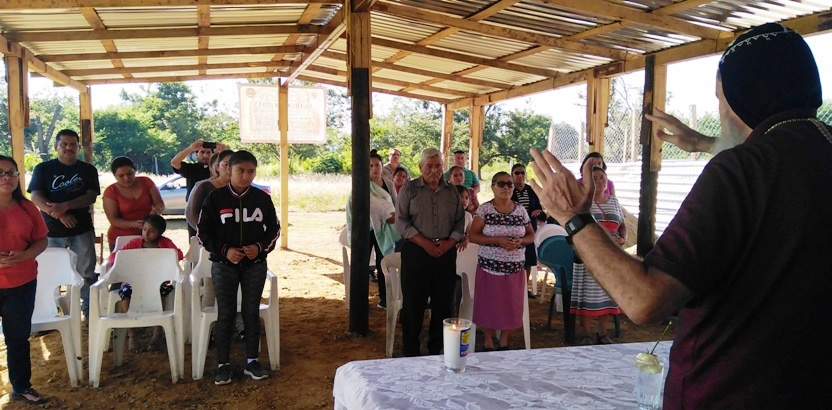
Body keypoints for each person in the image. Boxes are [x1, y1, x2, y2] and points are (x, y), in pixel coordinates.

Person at [529, 23, 832, 408]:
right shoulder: (815, 151)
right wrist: (707, 143)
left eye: (720, 98)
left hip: (730, 392)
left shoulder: (740, 171)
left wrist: (575, 219)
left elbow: (645, 299)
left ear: (742, 97)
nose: (720, 110)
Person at [197, 150, 280, 385]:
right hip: (224, 265)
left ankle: (252, 361)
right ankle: (223, 365)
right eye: (240, 171)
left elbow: (274, 230)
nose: (245, 176)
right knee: (226, 314)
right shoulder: (215, 198)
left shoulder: (262, 198)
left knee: (251, 312)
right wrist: (225, 250)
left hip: (255, 265)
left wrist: (259, 247)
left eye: (251, 172)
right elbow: (202, 233)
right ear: (228, 170)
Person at [396, 147, 465, 357]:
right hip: (416, 252)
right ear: (420, 167)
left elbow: (459, 221)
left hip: (445, 253)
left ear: (443, 167)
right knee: (413, 304)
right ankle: (411, 352)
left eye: (438, 166)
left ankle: (437, 351)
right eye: (429, 166)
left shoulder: (451, 191)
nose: (434, 171)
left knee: (443, 303)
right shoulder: (409, 189)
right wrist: (425, 243)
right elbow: (401, 222)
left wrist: (449, 243)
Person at [28, 129, 100, 318]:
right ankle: (49, 314)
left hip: (81, 229)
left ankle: (89, 313)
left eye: (73, 144)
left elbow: (90, 197)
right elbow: (36, 196)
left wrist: (65, 206)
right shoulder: (43, 169)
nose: (69, 148)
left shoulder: (88, 170)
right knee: (49, 274)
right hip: (50, 231)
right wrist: (58, 214)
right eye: (64, 144)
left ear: (78, 147)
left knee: (86, 272)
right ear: (56, 147)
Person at [0, 155, 49, 404]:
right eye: (0, 173)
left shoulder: (27, 208)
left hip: (21, 283)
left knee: (18, 338)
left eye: (11, 172)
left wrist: (25, 255)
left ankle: (21, 386)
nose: (6, 177)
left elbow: (42, 240)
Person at [469, 172, 534, 351]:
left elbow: (531, 235)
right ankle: (488, 339)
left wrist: (520, 241)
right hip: (489, 268)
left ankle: (504, 339)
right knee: (488, 304)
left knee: (511, 305)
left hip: (514, 268)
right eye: (501, 184)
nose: (506, 187)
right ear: (493, 187)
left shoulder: (520, 210)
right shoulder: (485, 210)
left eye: (510, 184)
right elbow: (473, 236)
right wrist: (497, 240)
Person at [107, 214, 183, 352]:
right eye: (144, 230)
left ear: (160, 232)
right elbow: (115, 257)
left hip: (158, 281)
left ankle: (157, 332)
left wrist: (165, 254)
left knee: (160, 293)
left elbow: (179, 255)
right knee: (126, 294)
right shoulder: (135, 243)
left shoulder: (165, 243)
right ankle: (132, 333)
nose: (146, 234)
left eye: (151, 231)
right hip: (134, 280)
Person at [571, 167, 625, 345]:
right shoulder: (582, 203)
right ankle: (586, 334)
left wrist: (622, 238)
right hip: (589, 255)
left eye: (602, 177)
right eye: (594, 178)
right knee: (587, 294)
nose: (599, 181)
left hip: (612, 256)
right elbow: (576, 227)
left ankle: (603, 333)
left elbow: (622, 225)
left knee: (608, 293)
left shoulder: (614, 201)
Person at [346, 149, 400, 309]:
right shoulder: (361, 186)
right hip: (366, 229)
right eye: (371, 166)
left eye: (377, 165)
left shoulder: (389, 184)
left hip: (386, 229)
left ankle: (384, 299)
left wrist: (394, 217)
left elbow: (395, 206)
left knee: (383, 262)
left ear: (382, 166)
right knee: (361, 264)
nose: (375, 168)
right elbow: (352, 206)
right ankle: (359, 301)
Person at [102, 156, 165, 250]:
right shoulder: (111, 191)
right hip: (121, 238)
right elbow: (113, 220)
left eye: (130, 173)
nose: (126, 178)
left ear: (135, 171)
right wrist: (133, 224)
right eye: (121, 176)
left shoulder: (146, 182)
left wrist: (157, 210)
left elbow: (160, 203)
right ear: (114, 176)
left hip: (149, 236)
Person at [171, 139, 225, 237]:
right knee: (195, 241)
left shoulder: (221, 170)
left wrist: (224, 152)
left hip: (216, 209)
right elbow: (174, 162)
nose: (205, 155)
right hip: (195, 209)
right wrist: (190, 148)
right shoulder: (191, 169)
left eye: (208, 152)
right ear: (196, 154)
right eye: (202, 152)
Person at [510, 163, 542, 299]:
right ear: (512, 175)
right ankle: (513, 288)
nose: (520, 175)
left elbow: (539, 207)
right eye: (517, 173)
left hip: (529, 230)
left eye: (522, 172)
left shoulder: (531, 190)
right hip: (514, 229)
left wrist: (537, 211)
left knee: (528, 259)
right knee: (514, 259)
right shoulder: (510, 190)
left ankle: (523, 287)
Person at [186, 150, 233, 231]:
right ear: (217, 167)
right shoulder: (203, 187)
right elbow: (192, 214)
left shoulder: (241, 187)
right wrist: (204, 232)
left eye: (234, 165)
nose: (229, 168)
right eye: (226, 164)